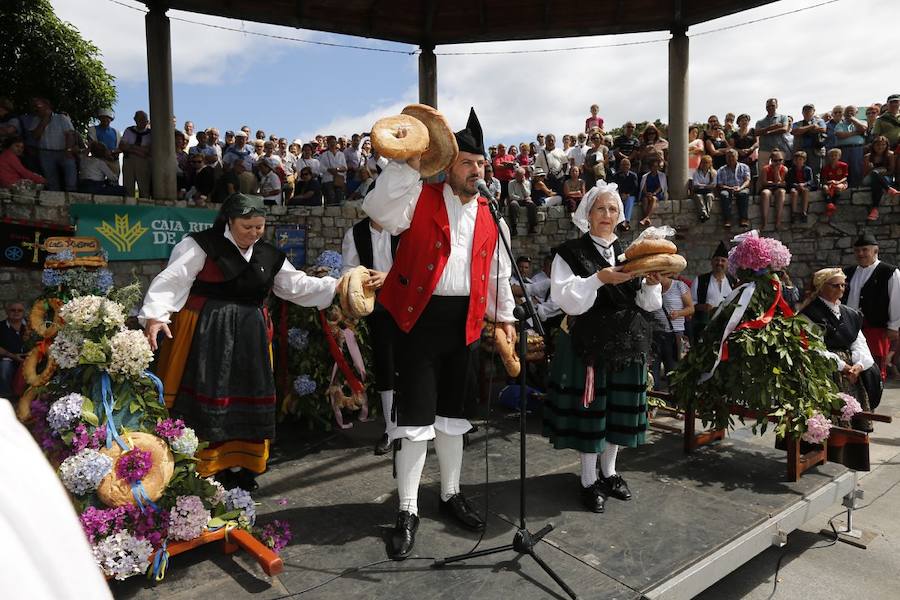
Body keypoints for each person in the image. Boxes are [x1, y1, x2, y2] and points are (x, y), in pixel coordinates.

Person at [362, 108, 515, 560]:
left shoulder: (493, 213)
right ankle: (407, 509)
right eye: (468, 163)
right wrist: (409, 161)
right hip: (418, 322)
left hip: (465, 323)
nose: (477, 172)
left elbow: (499, 273)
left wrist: (504, 316)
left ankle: (450, 493)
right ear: (449, 164)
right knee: (414, 424)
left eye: (482, 165)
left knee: (453, 417)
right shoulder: (418, 196)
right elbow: (378, 210)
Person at [139, 194, 343, 491]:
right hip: (207, 335)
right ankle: (203, 467)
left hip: (251, 338)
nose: (254, 232)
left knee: (248, 397)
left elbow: (296, 286)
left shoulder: (269, 255)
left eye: (259, 226)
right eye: (247, 226)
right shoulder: (200, 245)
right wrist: (156, 315)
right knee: (209, 396)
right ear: (229, 220)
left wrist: (338, 284)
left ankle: (243, 467)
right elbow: (172, 281)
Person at [544, 182, 662, 514]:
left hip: (628, 343)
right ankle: (587, 479)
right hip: (590, 345)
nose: (607, 215)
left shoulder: (631, 252)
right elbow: (565, 298)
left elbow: (647, 305)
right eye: (600, 209)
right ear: (588, 214)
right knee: (592, 415)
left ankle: (609, 472)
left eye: (612, 209)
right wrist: (599, 279)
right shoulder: (569, 252)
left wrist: (651, 284)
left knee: (618, 414)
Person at [341, 217, 399, 455]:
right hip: (378, 307)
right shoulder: (355, 233)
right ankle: (392, 429)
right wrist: (359, 280)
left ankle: (425, 424)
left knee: (416, 364)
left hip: (412, 303)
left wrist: (390, 277)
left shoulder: (404, 228)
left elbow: (422, 265)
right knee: (385, 365)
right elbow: (347, 270)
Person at [801, 268, 882, 432]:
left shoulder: (850, 313)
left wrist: (859, 365)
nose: (841, 289)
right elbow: (813, 348)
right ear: (821, 286)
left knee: (854, 422)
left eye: (843, 285)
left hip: (852, 375)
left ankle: (850, 456)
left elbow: (859, 342)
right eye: (835, 285)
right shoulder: (809, 314)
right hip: (825, 373)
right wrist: (842, 366)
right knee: (829, 421)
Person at [842, 233, 900, 382]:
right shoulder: (848, 272)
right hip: (850, 327)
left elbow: (896, 299)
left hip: (875, 328)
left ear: (875, 251)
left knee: (873, 367)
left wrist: (894, 326)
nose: (860, 254)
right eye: (857, 250)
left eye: (864, 250)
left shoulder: (889, 272)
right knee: (852, 364)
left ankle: (873, 395)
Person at [22, 97, 77, 192]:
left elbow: (70, 134)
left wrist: (69, 150)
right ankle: (55, 198)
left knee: (70, 169)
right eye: (34, 106)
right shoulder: (36, 120)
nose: (36, 108)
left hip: (63, 151)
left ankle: (71, 194)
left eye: (38, 105)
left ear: (47, 106)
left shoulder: (61, 118)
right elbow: (35, 136)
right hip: (46, 153)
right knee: (51, 179)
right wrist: (44, 121)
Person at [651, 273, 693, 392]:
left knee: (673, 373)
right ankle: (653, 404)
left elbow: (691, 308)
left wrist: (678, 313)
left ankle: (674, 405)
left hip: (674, 335)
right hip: (655, 335)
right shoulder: (650, 287)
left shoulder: (680, 286)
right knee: (653, 374)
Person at [691, 241, 736, 340]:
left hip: (726, 326)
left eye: (723, 260)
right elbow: (691, 304)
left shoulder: (733, 281)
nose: (719, 263)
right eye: (717, 260)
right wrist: (702, 307)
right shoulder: (700, 280)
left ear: (727, 263)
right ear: (712, 262)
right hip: (704, 326)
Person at [755, 98, 791, 190]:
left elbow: (784, 129)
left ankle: (781, 190)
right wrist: (772, 127)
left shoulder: (783, 117)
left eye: (772, 105)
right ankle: (760, 192)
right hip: (764, 149)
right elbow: (757, 133)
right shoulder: (760, 121)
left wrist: (767, 132)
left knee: (781, 171)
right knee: (762, 172)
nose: (770, 107)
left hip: (779, 149)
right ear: (766, 108)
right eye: (768, 106)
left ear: (777, 106)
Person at [863, 136, 899, 221]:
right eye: (878, 145)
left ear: (887, 146)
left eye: (883, 145)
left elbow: (891, 171)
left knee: (877, 183)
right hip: (869, 178)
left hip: (886, 178)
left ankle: (874, 210)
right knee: (874, 173)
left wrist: (881, 173)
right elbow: (864, 174)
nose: (880, 147)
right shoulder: (867, 157)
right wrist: (870, 169)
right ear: (873, 146)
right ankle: (889, 189)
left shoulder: (890, 155)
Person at [716, 149, 751, 229]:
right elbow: (720, 184)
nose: (730, 159)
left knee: (744, 194)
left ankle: (744, 219)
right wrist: (730, 188)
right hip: (727, 188)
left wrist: (740, 188)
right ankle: (727, 219)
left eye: (732, 156)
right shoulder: (721, 170)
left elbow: (747, 181)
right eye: (728, 157)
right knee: (724, 195)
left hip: (741, 187)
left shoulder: (744, 167)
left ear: (737, 157)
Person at [120, 110, 152, 198]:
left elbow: (149, 151)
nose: (142, 121)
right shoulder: (129, 130)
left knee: (144, 188)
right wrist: (140, 150)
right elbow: (122, 146)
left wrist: (131, 147)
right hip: (129, 161)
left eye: (144, 119)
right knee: (128, 187)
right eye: (140, 119)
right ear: (135, 119)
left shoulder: (150, 133)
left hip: (144, 163)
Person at [791, 104, 826, 183]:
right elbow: (795, 131)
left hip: (816, 150)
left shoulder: (820, 121)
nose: (807, 111)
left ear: (813, 111)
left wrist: (804, 130)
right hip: (801, 151)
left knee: (815, 171)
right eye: (805, 110)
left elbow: (823, 129)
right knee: (801, 170)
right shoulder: (798, 123)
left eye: (810, 110)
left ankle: (816, 188)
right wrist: (812, 127)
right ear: (802, 112)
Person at [0, 301, 27, 399]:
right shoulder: (1, 326)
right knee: (5, 365)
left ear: (24, 312)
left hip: (28, 359)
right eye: (13, 310)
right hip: (7, 359)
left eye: (19, 310)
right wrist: (12, 356)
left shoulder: (31, 326)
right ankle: (6, 397)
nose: (16, 312)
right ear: (7, 312)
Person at [87, 108, 121, 180]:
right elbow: (93, 145)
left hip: (113, 161)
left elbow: (120, 147)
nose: (105, 120)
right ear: (99, 118)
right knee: (98, 180)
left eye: (107, 118)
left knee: (114, 182)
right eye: (103, 118)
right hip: (98, 160)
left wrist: (113, 153)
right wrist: (105, 154)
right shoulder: (92, 129)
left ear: (111, 119)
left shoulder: (116, 132)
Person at [759, 151, 788, 230]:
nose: (778, 162)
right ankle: (764, 222)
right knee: (765, 193)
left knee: (781, 192)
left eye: (780, 160)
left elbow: (782, 182)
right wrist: (775, 183)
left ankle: (778, 221)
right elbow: (764, 182)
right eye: (775, 161)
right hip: (768, 188)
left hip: (778, 188)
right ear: (771, 160)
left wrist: (776, 172)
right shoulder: (766, 168)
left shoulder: (784, 169)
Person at [638, 156, 667, 227]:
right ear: (650, 167)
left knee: (654, 199)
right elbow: (644, 188)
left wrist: (654, 193)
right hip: (648, 193)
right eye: (653, 166)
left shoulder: (662, 175)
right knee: (645, 199)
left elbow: (661, 187)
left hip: (657, 194)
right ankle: (646, 219)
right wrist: (647, 193)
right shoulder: (645, 176)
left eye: (656, 166)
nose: (655, 168)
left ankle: (646, 218)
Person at [787, 150, 816, 223]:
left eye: (800, 159)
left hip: (805, 186)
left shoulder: (808, 169)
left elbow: (811, 181)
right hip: (795, 186)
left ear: (804, 160)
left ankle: (804, 212)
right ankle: (793, 212)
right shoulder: (791, 170)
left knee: (805, 191)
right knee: (793, 192)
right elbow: (789, 182)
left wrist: (804, 184)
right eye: (796, 159)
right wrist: (796, 185)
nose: (798, 161)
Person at [611, 157, 638, 231]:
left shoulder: (633, 176)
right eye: (623, 165)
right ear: (620, 166)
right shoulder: (616, 176)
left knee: (629, 200)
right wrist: (620, 195)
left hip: (630, 195)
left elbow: (635, 188)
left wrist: (628, 194)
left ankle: (626, 221)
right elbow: (614, 187)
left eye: (627, 165)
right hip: (619, 195)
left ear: (629, 166)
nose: (625, 166)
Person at [319, 135, 347, 205]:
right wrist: (329, 170)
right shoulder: (324, 154)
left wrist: (336, 169)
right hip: (328, 180)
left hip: (339, 180)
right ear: (327, 144)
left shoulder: (341, 154)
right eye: (330, 142)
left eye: (334, 142)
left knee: (340, 199)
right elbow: (321, 168)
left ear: (336, 143)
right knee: (330, 199)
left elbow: (345, 168)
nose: (332, 144)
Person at [821, 148, 848, 218]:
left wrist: (838, 182)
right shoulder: (826, 167)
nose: (834, 157)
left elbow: (845, 177)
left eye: (835, 155)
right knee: (825, 187)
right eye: (832, 156)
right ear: (829, 157)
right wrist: (830, 182)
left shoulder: (844, 165)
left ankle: (833, 204)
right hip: (830, 183)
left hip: (841, 182)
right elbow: (824, 179)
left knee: (838, 187)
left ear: (839, 156)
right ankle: (830, 204)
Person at [729, 113, 758, 179]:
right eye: (742, 120)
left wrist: (751, 148)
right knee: (741, 177)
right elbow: (732, 147)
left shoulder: (753, 131)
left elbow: (757, 143)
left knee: (753, 177)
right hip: (739, 158)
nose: (744, 122)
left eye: (746, 120)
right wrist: (739, 151)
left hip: (752, 158)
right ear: (738, 123)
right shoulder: (734, 134)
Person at [507, 166, 534, 236]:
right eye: (517, 175)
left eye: (519, 175)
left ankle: (532, 226)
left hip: (525, 200)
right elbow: (511, 195)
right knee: (513, 204)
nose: (517, 177)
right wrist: (521, 198)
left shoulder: (527, 183)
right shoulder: (511, 183)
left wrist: (522, 185)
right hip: (517, 200)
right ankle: (514, 227)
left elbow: (528, 194)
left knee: (532, 205)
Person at [690, 154, 717, 223]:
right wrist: (706, 185)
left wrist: (702, 185)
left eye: (706, 163)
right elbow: (695, 184)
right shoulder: (696, 173)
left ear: (710, 164)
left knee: (709, 196)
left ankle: (705, 214)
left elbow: (713, 185)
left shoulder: (713, 173)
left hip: (709, 192)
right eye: (703, 162)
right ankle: (704, 213)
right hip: (698, 191)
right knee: (698, 197)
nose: (704, 164)